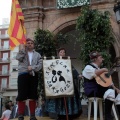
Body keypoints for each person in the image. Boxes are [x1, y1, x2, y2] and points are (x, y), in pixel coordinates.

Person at [45, 48, 82, 120]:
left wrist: (77, 75)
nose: (62, 53)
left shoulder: (67, 62)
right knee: (59, 100)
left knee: (69, 99)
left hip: (67, 84)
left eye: (64, 52)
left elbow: (72, 70)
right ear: (58, 54)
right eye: (61, 52)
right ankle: (60, 114)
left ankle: (69, 114)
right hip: (58, 85)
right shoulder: (54, 62)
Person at [82, 51, 120, 120]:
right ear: (95, 59)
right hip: (92, 90)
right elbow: (94, 73)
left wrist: (116, 88)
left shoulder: (99, 69)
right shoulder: (88, 67)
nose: (102, 59)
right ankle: (108, 116)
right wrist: (103, 69)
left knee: (118, 94)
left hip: (101, 90)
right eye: (101, 57)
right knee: (111, 93)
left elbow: (109, 82)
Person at [16, 38, 42, 120]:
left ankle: (32, 115)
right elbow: (18, 58)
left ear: (33, 45)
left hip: (33, 75)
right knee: (21, 95)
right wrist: (24, 50)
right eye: (28, 43)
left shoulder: (37, 54)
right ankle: (20, 114)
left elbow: (40, 65)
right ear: (26, 44)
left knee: (33, 95)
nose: (30, 44)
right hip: (23, 74)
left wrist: (32, 67)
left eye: (31, 43)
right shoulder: (22, 52)